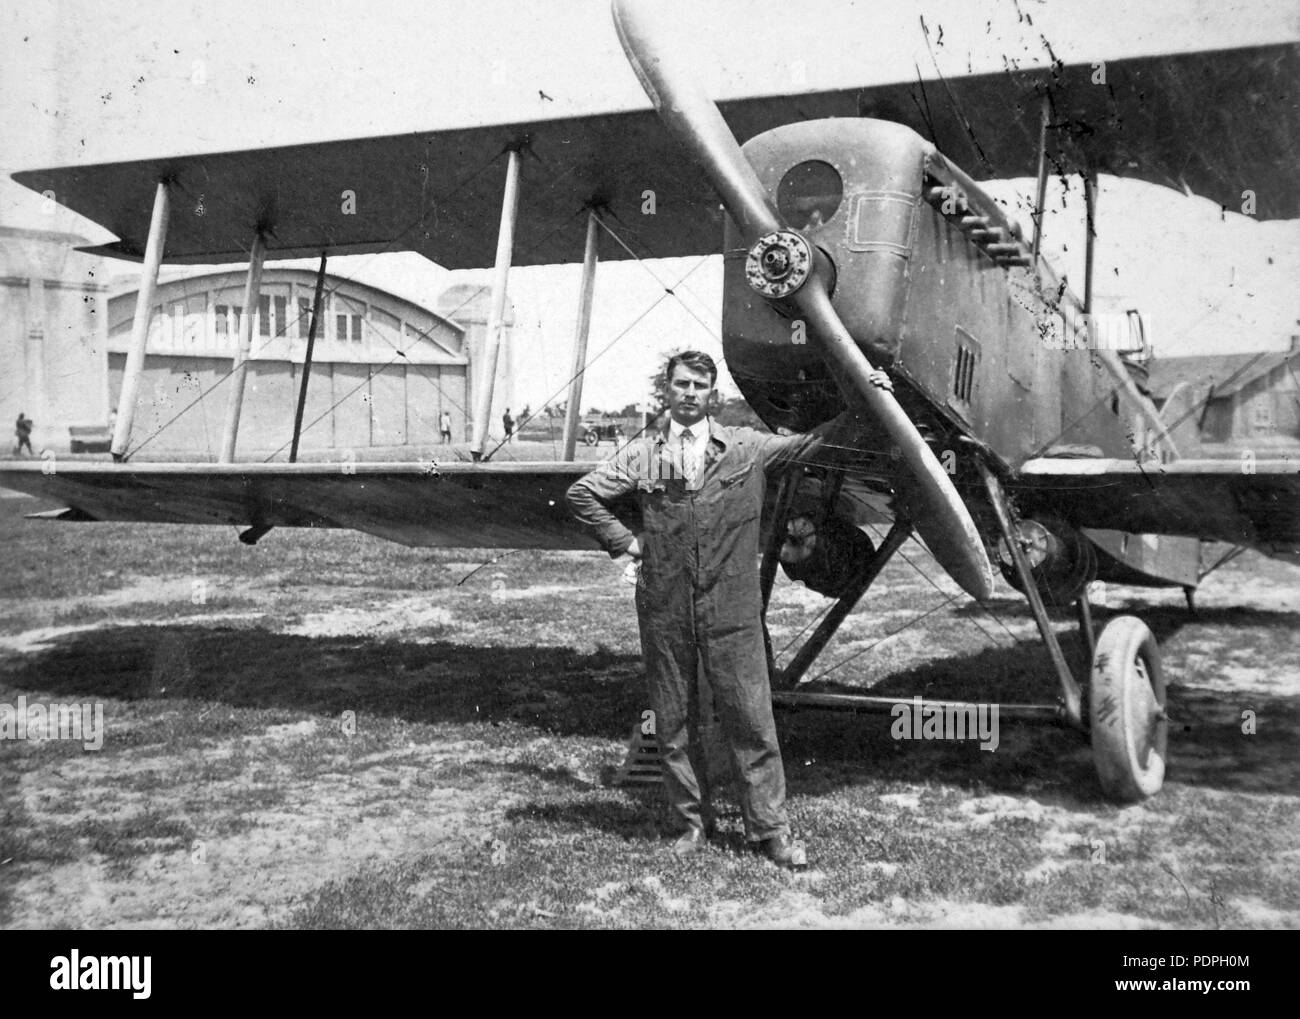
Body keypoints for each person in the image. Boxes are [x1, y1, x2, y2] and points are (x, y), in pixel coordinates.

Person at [566, 350, 890, 868]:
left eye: (700, 385)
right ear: (666, 392)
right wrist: (627, 543)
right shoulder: (645, 452)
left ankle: (770, 830)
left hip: (732, 607)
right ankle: (693, 824)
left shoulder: (745, 447)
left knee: (751, 717)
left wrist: (867, 398)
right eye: (681, 384)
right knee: (673, 721)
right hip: (665, 605)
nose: (690, 393)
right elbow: (584, 495)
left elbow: (817, 442)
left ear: (711, 394)